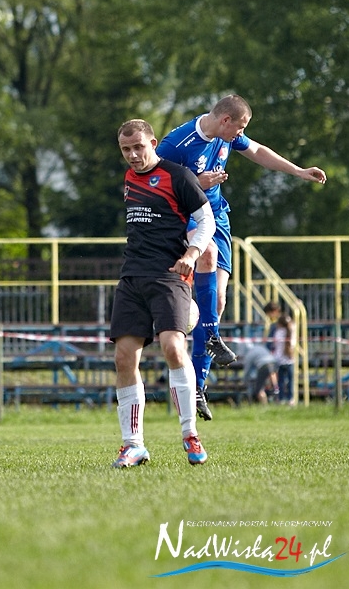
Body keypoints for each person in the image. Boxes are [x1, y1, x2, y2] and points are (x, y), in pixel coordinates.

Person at [157, 95, 326, 422]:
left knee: (219, 301)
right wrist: (195, 183)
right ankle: (210, 338)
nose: (241, 134)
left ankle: (198, 385)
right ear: (225, 121)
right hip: (187, 216)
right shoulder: (177, 144)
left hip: (217, 217)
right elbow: (156, 186)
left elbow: (258, 151)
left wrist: (298, 171)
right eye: (240, 127)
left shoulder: (227, 137)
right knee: (207, 253)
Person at [111, 119, 215, 468]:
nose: (132, 155)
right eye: (126, 149)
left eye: (138, 147)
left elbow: (206, 220)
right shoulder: (129, 179)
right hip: (132, 276)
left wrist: (191, 254)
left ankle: (190, 434)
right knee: (124, 357)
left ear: (153, 143)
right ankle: (133, 445)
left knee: (172, 347)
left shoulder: (178, 176)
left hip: (170, 275)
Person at [271, 311, 296, 405]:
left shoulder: (278, 332)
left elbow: (274, 344)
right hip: (290, 359)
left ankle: (281, 398)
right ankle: (291, 399)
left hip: (279, 359)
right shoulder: (291, 331)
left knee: (280, 381)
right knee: (290, 381)